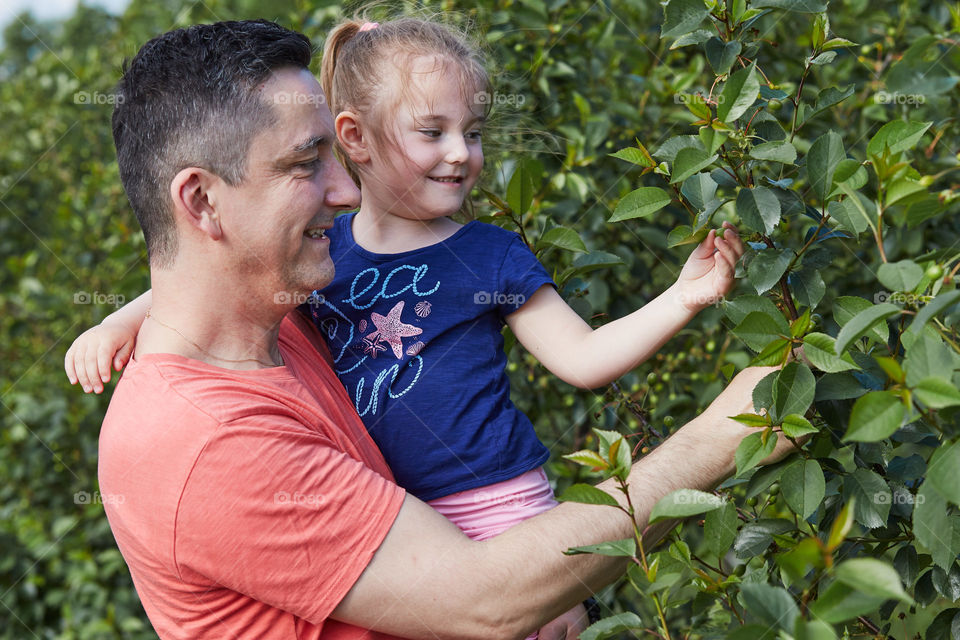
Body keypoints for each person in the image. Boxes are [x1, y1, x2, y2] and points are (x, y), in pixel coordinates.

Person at [65, 18, 796, 640]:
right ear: (200, 201)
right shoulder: (206, 443)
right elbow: (489, 599)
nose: (347, 189)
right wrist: (719, 437)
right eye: (302, 163)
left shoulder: (284, 323)